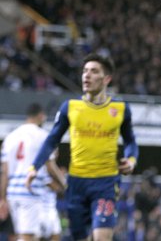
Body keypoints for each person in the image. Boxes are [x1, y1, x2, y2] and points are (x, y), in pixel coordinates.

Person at [25, 54, 139, 241]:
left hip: (106, 183)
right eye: (85, 71)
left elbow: (130, 142)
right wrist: (33, 168)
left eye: (94, 71)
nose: (87, 75)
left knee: (101, 237)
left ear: (106, 79)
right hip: (76, 184)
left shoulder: (120, 109)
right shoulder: (70, 107)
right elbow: (52, 140)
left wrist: (132, 160)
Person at [0, 103, 65, 241]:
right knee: (28, 236)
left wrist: (3, 198)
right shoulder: (42, 136)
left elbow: (4, 172)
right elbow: (50, 166)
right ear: (41, 116)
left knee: (25, 234)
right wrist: (65, 183)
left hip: (13, 193)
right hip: (29, 191)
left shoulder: (10, 137)